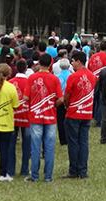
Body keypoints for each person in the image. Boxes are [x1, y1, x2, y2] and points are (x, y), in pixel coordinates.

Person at [25, 54, 63, 183]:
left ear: (39, 63)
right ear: (51, 64)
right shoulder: (54, 79)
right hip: (50, 116)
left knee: (35, 147)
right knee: (49, 148)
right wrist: (53, 105)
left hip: (35, 116)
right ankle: (48, 177)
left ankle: (34, 176)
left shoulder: (31, 78)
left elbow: (25, 98)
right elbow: (61, 98)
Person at [63, 51, 96, 179]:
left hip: (73, 113)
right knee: (83, 142)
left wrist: (67, 105)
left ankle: (73, 170)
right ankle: (83, 171)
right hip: (87, 113)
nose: (72, 63)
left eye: (73, 61)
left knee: (73, 143)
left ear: (79, 61)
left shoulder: (73, 77)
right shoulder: (92, 76)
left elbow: (67, 96)